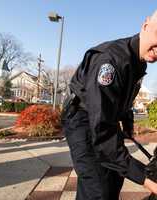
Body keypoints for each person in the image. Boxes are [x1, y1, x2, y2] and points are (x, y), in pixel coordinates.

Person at [61, 11, 157, 200]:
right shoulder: (110, 62)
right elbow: (102, 132)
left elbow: (122, 99)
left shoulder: (139, 63)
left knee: (113, 179)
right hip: (83, 119)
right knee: (98, 189)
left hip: (103, 118)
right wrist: (146, 179)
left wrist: (128, 125)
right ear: (145, 25)